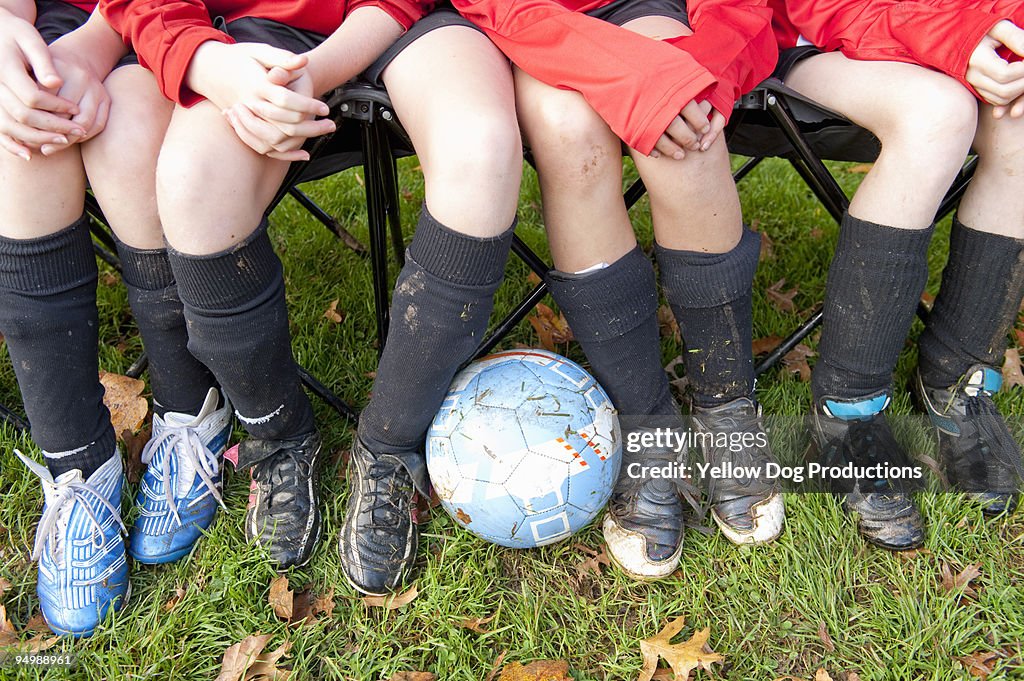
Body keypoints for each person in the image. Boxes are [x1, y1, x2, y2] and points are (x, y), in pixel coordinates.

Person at [97, 0, 524, 595]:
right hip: (245, 42)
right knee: (193, 180)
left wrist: (317, 70)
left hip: (411, 21)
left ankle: (392, 446)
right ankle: (279, 434)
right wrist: (211, 66)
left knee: (482, 147)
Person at [451, 0, 785, 580]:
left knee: (691, 127)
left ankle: (727, 405)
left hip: (652, 8)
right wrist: (634, 81)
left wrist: (697, 75)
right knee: (568, 135)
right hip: (535, 19)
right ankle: (645, 418)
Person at [0, 2, 230, 636]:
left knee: (127, 135)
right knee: (24, 141)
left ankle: (192, 412)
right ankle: (79, 470)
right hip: (46, 25)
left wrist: (98, 40)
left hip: (161, 26)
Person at [769, 0, 1024, 549]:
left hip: (968, 46)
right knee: (937, 113)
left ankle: (957, 380)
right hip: (818, 41)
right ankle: (848, 408)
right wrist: (948, 36)